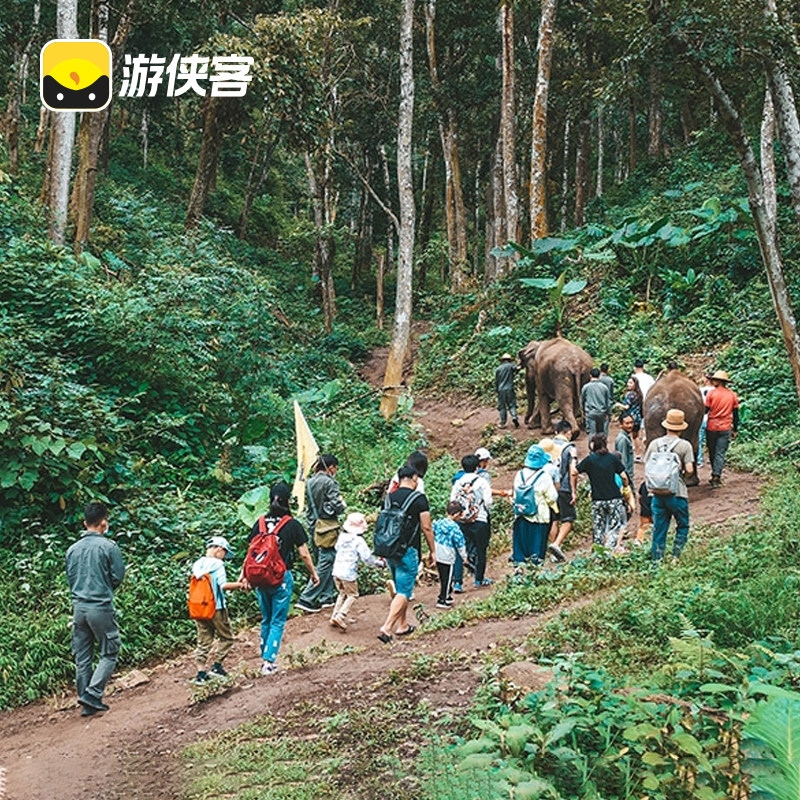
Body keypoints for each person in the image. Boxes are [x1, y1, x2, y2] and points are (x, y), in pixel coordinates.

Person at [245, 482, 318, 675]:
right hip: (281, 577)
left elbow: (250, 553)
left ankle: (264, 657)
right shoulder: (291, 524)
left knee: (266, 619)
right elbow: (304, 553)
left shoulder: (259, 522)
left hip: (260, 579)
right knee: (278, 621)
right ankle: (269, 662)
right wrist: (314, 573)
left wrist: (245, 576)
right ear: (288, 501)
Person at [65, 502, 126, 716]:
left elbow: (70, 579)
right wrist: (104, 587)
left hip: (78, 607)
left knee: (82, 657)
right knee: (109, 651)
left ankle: (86, 704)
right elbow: (117, 576)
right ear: (104, 522)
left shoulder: (72, 549)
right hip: (100, 605)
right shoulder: (109, 547)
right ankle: (93, 693)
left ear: (84, 523)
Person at [377, 466, 435, 643]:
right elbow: (426, 527)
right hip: (408, 549)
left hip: (389, 549)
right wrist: (433, 550)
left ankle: (402, 625)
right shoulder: (419, 499)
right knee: (404, 590)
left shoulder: (388, 498)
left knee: (399, 584)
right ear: (414, 478)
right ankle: (387, 628)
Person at [191, 535, 245, 684]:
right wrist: (242, 585)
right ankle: (217, 666)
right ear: (220, 549)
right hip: (216, 608)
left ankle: (200, 674)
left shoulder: (197, 564)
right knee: (227, 637)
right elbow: (223, 585)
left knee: (203, 640)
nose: (224, 557)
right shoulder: (218, 564)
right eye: (225, 553)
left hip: (199, 608)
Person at [296, 454, 346, 613]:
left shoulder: (309, 482)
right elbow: (336, 504)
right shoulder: (329, 482)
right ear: (331, 467)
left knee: (324, 559)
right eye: (335, 468)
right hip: (327, 527)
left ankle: (327, 597)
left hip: (313, 526)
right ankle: (307, 598)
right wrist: (342, 504)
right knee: (328, 559)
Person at [645, 409, 695, 561]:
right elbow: (690, 470)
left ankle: (657, 561)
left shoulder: (654, 444)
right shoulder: (684, 445)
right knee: (683, 524)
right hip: (677, 492)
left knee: (659, 529)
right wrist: (683, 476)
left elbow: (647, 465)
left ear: (666, 425)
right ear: (681, 427)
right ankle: (676, 557)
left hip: (657, 493)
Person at [329, 512, 385, 631]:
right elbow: (367, 558)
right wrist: (379, 564)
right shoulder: (358, 540)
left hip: (336, 571)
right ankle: (341, 615)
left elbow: (336, 548)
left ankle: (334, 615)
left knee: (342, 593)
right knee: (353, 595)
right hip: (348, 573)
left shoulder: (342, 537)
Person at [578, 433, 630, 550]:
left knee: (598, 528)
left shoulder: (589, 460)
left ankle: (598, 553)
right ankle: (609, 552)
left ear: (593, 445)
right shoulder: (612, 458)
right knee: (613, 527)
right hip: (614, 498)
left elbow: (574, 471)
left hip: (597, 499)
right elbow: (624, 476)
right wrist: (626, 487)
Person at [450, 454, 494, 588]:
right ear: (477, 467)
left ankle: (458, 582)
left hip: (461, 521)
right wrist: (485, 513)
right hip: (479, 519)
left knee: (459, 551)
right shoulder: (482, 482)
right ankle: (478, 580)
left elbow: (452, 502)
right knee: (481, 550)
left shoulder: (458, 483)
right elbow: (488, 502)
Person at [512, 445, 558, 563]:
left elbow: (515, 494)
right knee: (537, 547)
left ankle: (519, 567)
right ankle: (535, 568)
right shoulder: (544, 477)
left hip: (520, 515)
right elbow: (552, 497)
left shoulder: (519, 474)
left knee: (520, 545)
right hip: (538, 517)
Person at [547, 419, 578, 562]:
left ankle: (553, 554)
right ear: (569, 433)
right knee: (568, 519)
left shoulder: (547, 445)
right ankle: (556, 544)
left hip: (547, 487)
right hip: (564, 487)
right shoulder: (570, 448)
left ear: (555, 432)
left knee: (554, 519)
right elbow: (573, 471)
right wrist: (573, 490)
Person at [704, 370, 739, 488]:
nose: (712, 381)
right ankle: (716, 475)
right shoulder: (732, 395)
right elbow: (736, 413)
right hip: (725, 427)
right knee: (720, 452)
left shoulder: (711, 394)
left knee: (712, 451)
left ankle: (715, 473)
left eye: (714, 379)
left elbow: (705, 410)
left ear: (720, 381)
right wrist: (735, 429)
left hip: (712, 426)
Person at [432, 501, 469, 608]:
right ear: (457, 514)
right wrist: (464, 558)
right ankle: (442, 599)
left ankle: (447, 596)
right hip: (447, 557)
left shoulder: (439, 523)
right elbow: (460, 544)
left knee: (443, 577)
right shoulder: (454, 528)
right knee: (447, 579)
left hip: (438, 554)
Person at [619, 376, 644, 460]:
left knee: (632, 436)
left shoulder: (630, 395)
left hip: (630, 418)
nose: (628, 384)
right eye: (628, 382)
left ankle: (636, 454)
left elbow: (626, 406)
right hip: (637, 417)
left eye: (630, 383)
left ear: (635, 384)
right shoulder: (638, 394)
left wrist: (618, 405)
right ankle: (638, 453)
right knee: (636, 435)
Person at [581, 367, 612, 436]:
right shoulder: (604, 387)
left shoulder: (586, 387)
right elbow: (608, 402)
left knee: (592, 433)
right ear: (599, 375)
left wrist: (583, 412)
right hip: (602, 412)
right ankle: (602, 445)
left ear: (590, 375)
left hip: (590, 413)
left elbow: (582, 400)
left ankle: (592, 445)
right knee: (602, 433)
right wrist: (609, 413)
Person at [495, 352, 520, 428]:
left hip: (501, 389)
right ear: (509, 360)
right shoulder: (510, 366)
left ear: (502, 360)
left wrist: (496, 390)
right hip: (509, 388)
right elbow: (517, 369)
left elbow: (496, 381)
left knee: (502, 406)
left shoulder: (498, 369)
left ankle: (502, 423)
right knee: (512, 404)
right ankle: (514, 417)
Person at [615, 413, 635, 486]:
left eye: (631, 422)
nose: (630, 425)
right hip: (627, 476)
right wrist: (626, 479)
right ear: (621, 425)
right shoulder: (622, 440)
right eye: (627, 423)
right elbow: (623, 461)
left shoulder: (626, 437)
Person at [697, 375, 713, 469]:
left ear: (707, 380)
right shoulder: (717, 391)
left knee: (699, 440)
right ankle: (712, 460)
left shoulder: (700, 390)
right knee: (712, 441)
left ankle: (699, 460)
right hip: (713, 419)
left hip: (702, 418)